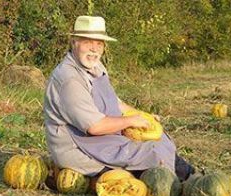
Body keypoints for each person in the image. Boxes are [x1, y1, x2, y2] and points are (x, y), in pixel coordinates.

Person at [43, 15, 194, 183]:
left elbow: (115, 103)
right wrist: (130, 121)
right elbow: (94, 126)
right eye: (88, 42)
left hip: (102, 139)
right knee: (148, 153)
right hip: (79, 149)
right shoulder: (70, 80)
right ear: (74, 42)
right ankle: (185, 182)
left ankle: (190, 177)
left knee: (158, 139)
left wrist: (143, 116)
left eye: (99, 43)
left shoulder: (95, 66)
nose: (94, 49)